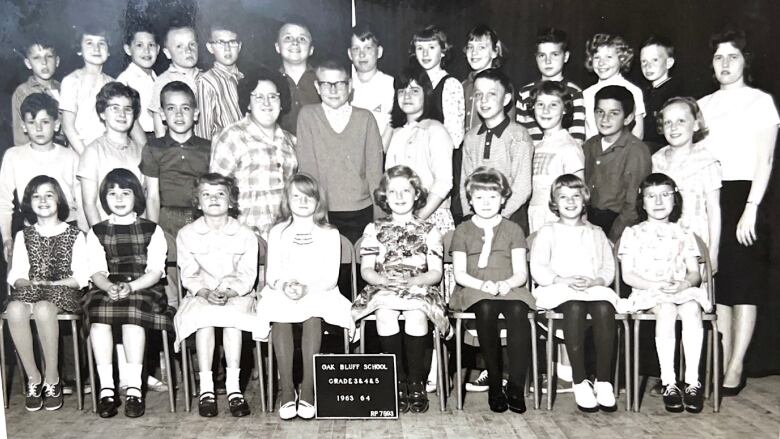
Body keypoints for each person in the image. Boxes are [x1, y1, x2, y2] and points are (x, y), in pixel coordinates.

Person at [697, 29, 779, 395]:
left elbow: (765, 161)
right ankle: (722, 359)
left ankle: (736, 365)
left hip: (747, 197)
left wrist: (751, 209)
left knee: (744, 286)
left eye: (733, 56)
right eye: (718, 57)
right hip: (712, 196)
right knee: (722, 286)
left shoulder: (760, 102)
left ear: (746, 61)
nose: (725, 64)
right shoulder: (703, 105)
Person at [255, 173, 355, 420]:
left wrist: (307, 288)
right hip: (284, 289)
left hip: (320, 290)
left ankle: (308, 391)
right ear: (287, 201)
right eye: (296, 197)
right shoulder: (278, 231)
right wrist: (286, 284)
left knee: (312, 315)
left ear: (318, 201)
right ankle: (288, 391)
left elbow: (331, 277)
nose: (301, 202)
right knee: (280, 316)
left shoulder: (329, 233)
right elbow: (272, 274)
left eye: (307, 197)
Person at [352, 165, 448, 414]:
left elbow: (436, 272)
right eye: (392, 192)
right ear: (384, 196)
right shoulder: (373, 229)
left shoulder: (429, 230)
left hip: (419, 285)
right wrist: (382, 280)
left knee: (416, 314)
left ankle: (416, 382)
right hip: (384, 285)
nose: (400, 196)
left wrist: (418, 281)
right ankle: (397, 381)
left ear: (417, 194)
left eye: (406, 190)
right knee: (385, 313)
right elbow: (367, 270)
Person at [82, 169, 174, 419]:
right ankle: (107, 390)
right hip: (107, 286)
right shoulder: (96, 231)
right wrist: (108, 286)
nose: (119, 198)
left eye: (125, 193)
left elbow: (155, 271)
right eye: (112, 194)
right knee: (99, 315)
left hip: (143, 287)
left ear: (137, 197)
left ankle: (134, 388)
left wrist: (131, 286)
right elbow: (97, 271)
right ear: (104, 199)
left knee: (134, 317)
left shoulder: (152, 230)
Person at [620, 173, 711, 413]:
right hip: (648, 291)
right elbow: (628, 275)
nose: (658, 201)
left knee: (692, 308)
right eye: (651, 196)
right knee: (668, 310)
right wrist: (653, 284)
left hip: (678, 290)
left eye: (665, 195)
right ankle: (669, 382)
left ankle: (692, 382)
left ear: (675, 199)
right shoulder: (633, 233)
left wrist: (684, 285)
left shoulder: (684, 233)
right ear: (642, 201)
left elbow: (694, 273)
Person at [530, 174, 619, 412]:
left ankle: (604, 381)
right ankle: (579, 380)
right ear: (554, 202)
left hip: (592, 287)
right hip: (559, 289)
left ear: (584, 199)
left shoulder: (596, 232)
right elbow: (538, 267)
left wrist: (596, 280)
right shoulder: (547, 232)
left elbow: (608, 268)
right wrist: (562, 279)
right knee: (574, 307)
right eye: (563, 197)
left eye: (575, 196)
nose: (570, 202)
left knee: (604, 307)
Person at [174, 173, 259, 418]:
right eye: (206, 194)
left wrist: (230, 291)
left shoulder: (245, 234)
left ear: (231, 201)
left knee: (233, 320)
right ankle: (207, 388)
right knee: (204, 320)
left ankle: (234, 389)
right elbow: (189, 274)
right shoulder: (187, 234)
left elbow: (247, 274)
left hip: (237, 295)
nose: (213, 199)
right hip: (201, 295)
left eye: (220, 194)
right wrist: (205, 292)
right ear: (197, 202)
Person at [451, 167, 534, 414]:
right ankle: (495, 386)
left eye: (492, 197)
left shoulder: (513, 230)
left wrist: (507, 284)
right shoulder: (463, 230)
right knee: (486, 308)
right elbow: (459, 273)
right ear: (470, 200)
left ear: (504, 199)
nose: (486, 203)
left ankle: (516, 387)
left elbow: (521, 273)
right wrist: (482, 285)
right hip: (474, 286)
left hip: (509, 285)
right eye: (479, 198)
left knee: (518, 310)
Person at [6, 176, 89, 412]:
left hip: (63, 291)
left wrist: (54, 284)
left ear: (59, 200)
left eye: (49, 195)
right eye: (36, 196)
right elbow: (16, 275)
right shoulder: (24, 235)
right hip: (32, 289)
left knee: (43, 308)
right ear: (29, 203)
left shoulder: (75, 234)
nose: (43, 200)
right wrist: (31, 282)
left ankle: (53, 379)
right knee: (14, 308)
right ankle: (34, 379)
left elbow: (81, 277)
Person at [295, 59, 383, 243]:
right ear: (317, 87)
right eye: (326, 84)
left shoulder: (365, 118)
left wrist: (379, 219)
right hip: (323, 213)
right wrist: (316, 216)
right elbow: (308, 170)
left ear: (350, 86)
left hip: (362, 212)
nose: (333, 90)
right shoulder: (308, 116)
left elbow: (375, 173)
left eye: (339, 84)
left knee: (361, 267)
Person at [142, 80, 211, 309]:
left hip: (200, 220)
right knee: (169, 280)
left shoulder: (208, 147)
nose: (179, 114)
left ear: (196, 113)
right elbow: (152, 195)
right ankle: (173, 328)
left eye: (185, 108)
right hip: (166, 220)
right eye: (171, 108)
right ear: (162, 114)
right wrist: (152, 234)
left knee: (201, 277)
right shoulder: (154, 148)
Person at [210, 69, 298, 238]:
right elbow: (217, 190)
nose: (267, 102)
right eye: (258, 97)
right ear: (248, 103)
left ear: (281, 102)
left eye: (273, 96)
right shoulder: (232, 136)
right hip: (244, 237)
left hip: (283, 237)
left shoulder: (291, 141)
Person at [1, 93, 83, 263]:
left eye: (45, 122)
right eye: (32, 122)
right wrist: (7, 238)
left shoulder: (71, 157)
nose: (38, 129)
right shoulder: (13, 156)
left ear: (57, 125)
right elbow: (3, 202)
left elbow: (82, 204)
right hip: (32, 232)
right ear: (23, 126)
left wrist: (84, 239)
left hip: (69, 229)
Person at [385, 66, 454, 235]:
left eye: (414, 90)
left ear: (426, 94)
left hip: (431, 216)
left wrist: (417, 219)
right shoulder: (397, 133)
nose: (407, 96)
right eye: (402, 91)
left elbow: (444, 182)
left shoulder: (435, 130)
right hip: (401, 217)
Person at [460, 69, 533, 229]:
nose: (483, 100)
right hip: (477, 218)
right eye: (478, 94)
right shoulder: (471, 137)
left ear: (506, 99)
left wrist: (498, 216)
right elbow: (465, 181)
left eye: (491, 94)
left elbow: (523, 186)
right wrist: (469, 215)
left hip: (510, 218)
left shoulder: (518, 135)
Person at [652, 97, 721, 262]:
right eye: (668, 122)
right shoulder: (656, 160)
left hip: (696, 241)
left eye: (681, 121)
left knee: (693, 286)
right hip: (663, 242)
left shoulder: (707, 161)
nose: (673, 127)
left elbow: (713, 210)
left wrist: (713, 253)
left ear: (696, 124)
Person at [409, 25, 465, 222]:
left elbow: (455, 138)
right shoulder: (411, 84)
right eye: (419, 48)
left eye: (431, 47)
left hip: (436, 168)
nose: (425, 53)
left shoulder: (450, 84)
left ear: (443, 51)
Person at [583, 85, 651, 242]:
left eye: (614, 113)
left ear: (628, 118)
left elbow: (632, 206)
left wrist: (613, 238)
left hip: (619, 225)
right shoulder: (589, 146)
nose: (605, 119)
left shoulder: (636, 151)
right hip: (589, 221)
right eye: (600, 112)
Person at [77, 82, 145, 226]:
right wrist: (102, 238)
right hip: (105, 231)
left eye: (127, 109)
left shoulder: (140, 151)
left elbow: (143, 198)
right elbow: (89, 204)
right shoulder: (93, 152)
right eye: (115, 108)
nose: (122, 114)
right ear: (102, 113)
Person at [527, 81, 584, 233]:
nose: (545, 110)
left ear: (565, 109)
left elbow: (578, 194)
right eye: (540, 104)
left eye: (553, 105)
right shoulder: (536, 146)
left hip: (558, 220)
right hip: (535, 215)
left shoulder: (569, 147)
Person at [516, 27, 586, 144]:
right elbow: (520, 136)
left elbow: (577, 139)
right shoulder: (525, 92)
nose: (547, 61)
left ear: (566, 57)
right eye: (542, 55)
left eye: (554, 54)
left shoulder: (574, 92)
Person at [59, 26, 114, 154]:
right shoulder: (72, 81)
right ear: (79, 50)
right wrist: (86, 156)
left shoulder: (113, 83)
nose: (96, 48)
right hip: (80, 150)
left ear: (109, 51)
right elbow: (68, 127)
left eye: (101, 43)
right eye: (89, 43)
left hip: (107, 150)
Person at [582, 33, 646, 140]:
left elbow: (638, 134)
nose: (601, 63)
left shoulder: (633, 90)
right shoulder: (587, 94)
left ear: (621, 59)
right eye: (597, 57)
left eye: (609, 57)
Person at [149, 24, 201, 138]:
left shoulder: (206, 77)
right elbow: (159, 127)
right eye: (179, 46)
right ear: (167, 53)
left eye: (192, 44)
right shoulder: (163, 81)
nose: (188, 50)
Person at [195, 24, 243, 140]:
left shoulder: (244, 78)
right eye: (220, 42)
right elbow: (203, 132)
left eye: (232, 42)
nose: (227, 48)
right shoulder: (206, 82)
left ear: (239, 46)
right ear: (210, 47)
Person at [639, 35, 685, 154]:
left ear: (669, 63)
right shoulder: (643, 92)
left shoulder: (675, 94)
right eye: (644, 61)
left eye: (655, 60)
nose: (648, 66)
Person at [11, 40, 61, 147]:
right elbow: (20, 137)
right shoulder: (22, 92)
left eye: (49, 56)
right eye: (36, 58)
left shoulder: (65, 88)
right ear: (28, 63)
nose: (44, 62)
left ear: (57, 61)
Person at [348, 24, 395, 138]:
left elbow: (393, 126)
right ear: (350, 54)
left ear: (379, 52)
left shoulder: (391, 85)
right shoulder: (344, 86)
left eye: (368, 48)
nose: (362, 54)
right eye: (356, 49)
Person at [275, 20, 321, 134]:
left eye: (302, 39)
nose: (295, 43)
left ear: (311, 50)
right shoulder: (270, 82)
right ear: (277, 47)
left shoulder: (323, 80)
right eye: (288, 38)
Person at [116, 24, 160, 137]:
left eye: (151, 45)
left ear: (158, 49)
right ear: (128, 49)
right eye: (139, 45)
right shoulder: (124, 81)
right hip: (137, 139)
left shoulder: (159, 79)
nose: (147, 50)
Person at [462, 25, 507, 132]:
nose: (474, 52)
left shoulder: (502, 85)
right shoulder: (462, 86)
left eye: (481, 47)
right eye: (470, 47)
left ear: (495, 52)